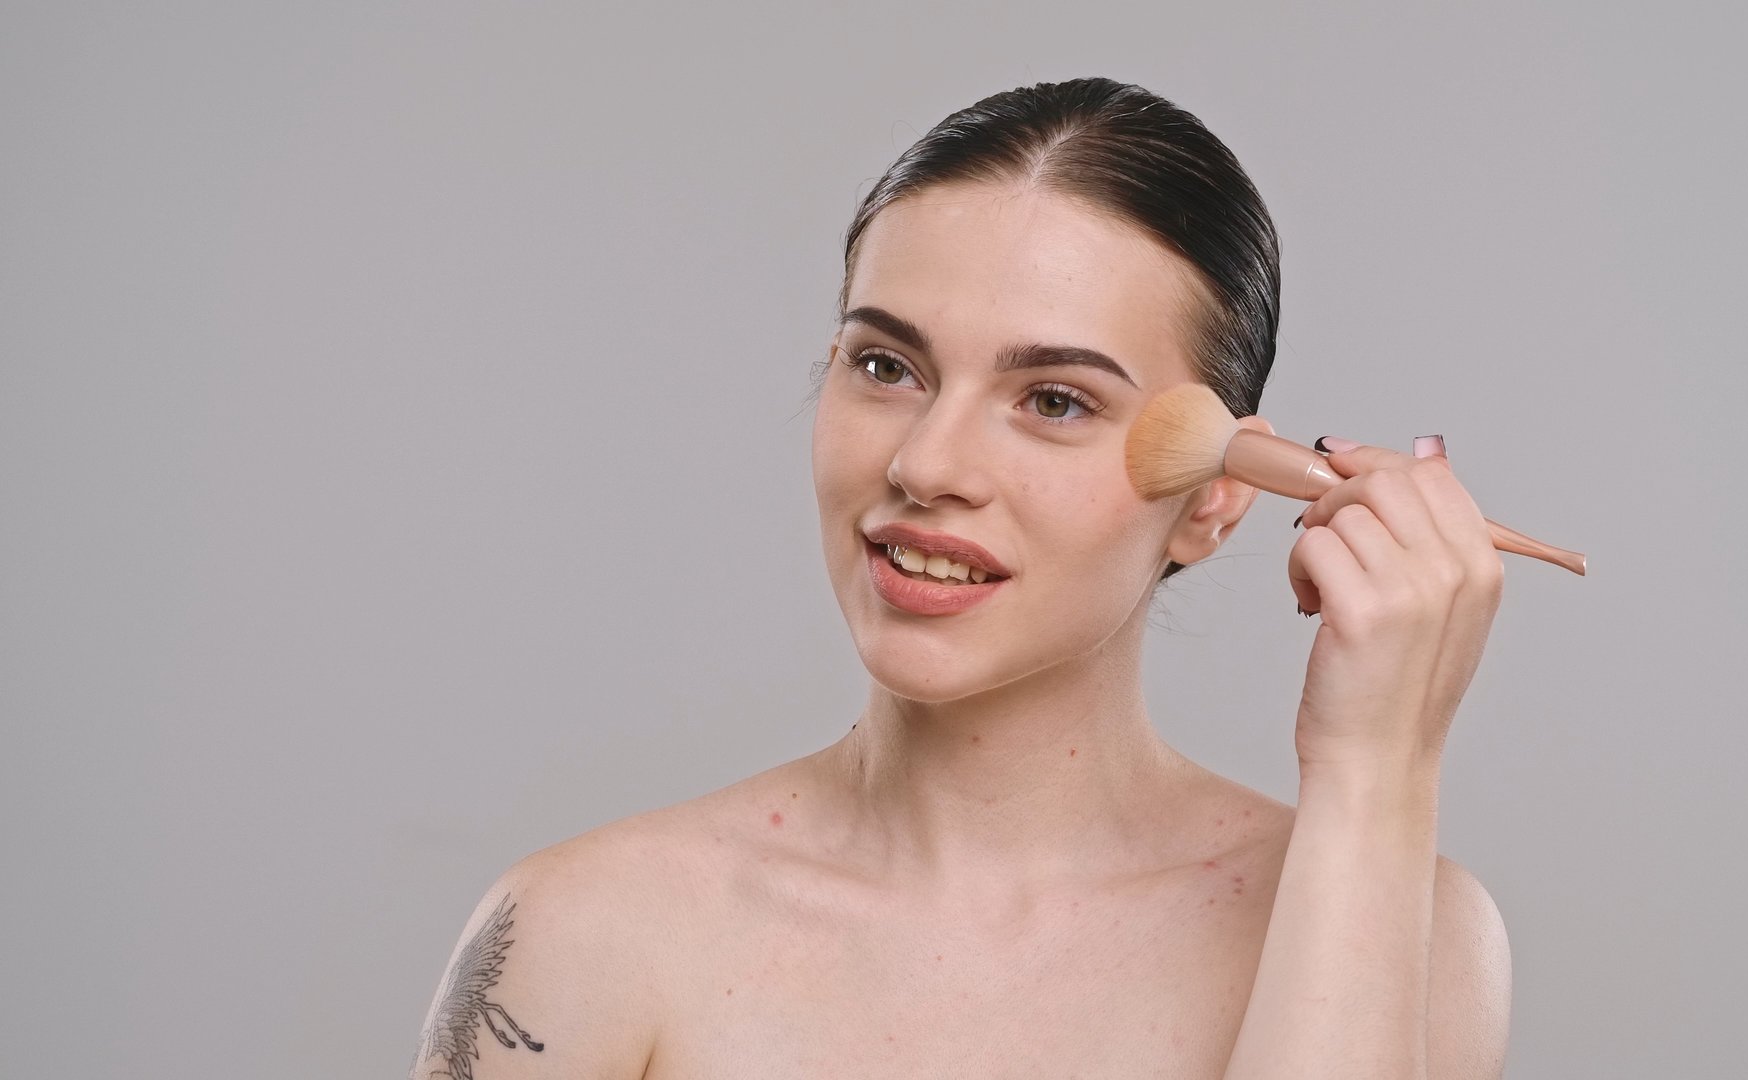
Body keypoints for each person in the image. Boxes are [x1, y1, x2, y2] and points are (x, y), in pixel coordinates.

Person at [409, 76, 1512, 1080]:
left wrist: (1375, 772)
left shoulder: (1404, 928)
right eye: (885, 366)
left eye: (1054, 401)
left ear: (1214, 500)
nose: (924, 464)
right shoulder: (582, 938)